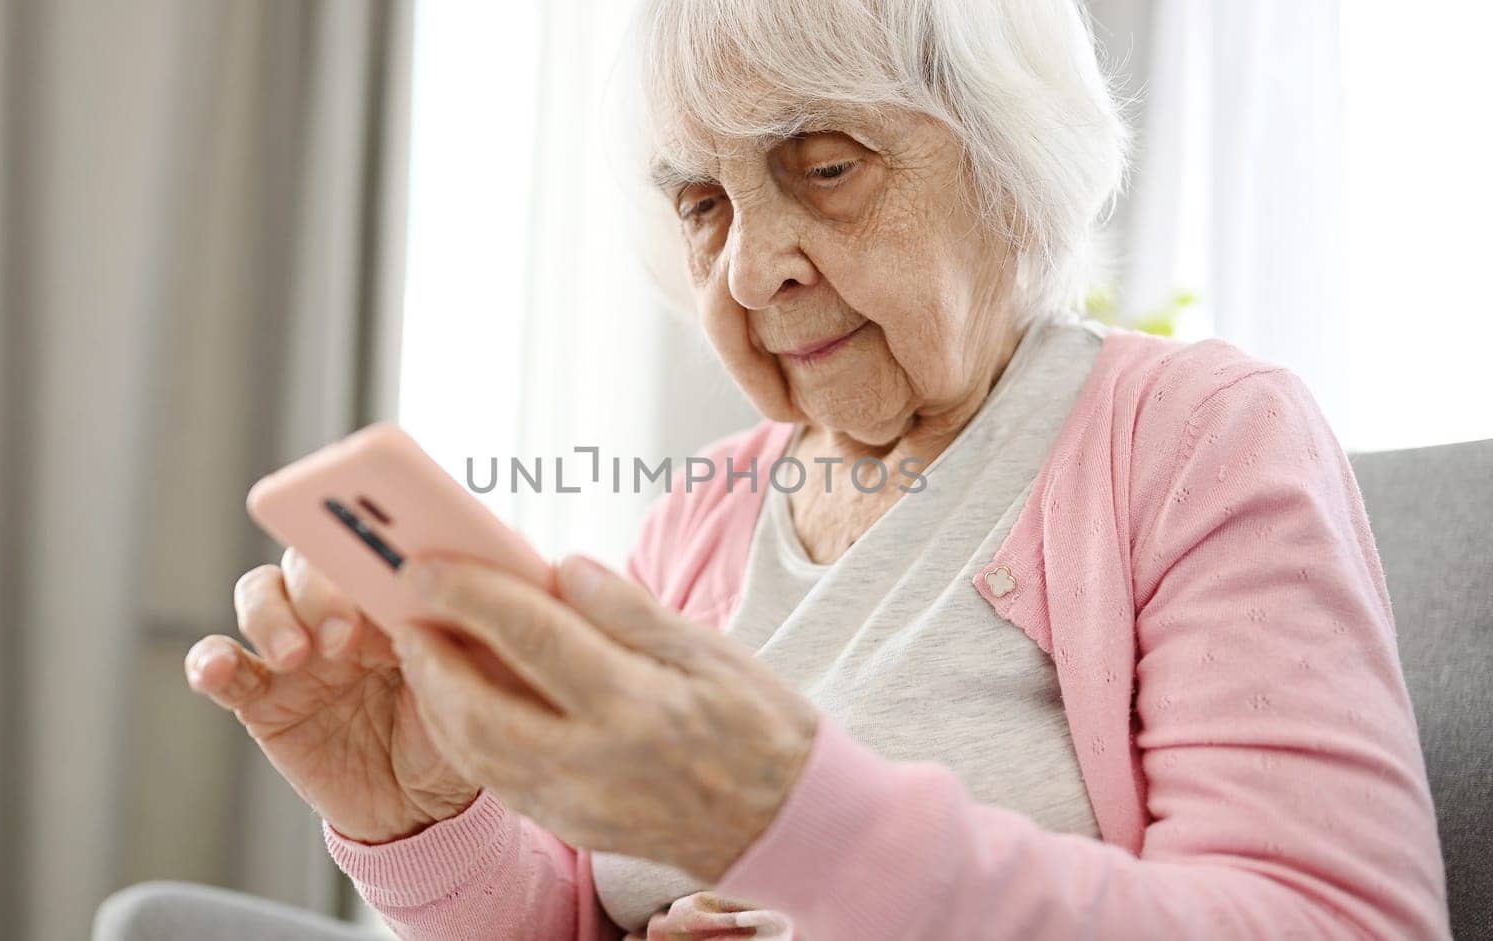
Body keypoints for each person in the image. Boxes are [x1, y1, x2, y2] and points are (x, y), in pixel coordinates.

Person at [110, 0, 1449, 937]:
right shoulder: (703, 512)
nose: (752, 266)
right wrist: (423, 818)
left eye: (825, 165)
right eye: (704, 204)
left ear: (1010, 159)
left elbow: (1333, 923)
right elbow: (573, 917)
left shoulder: (1193, 436)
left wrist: (785, 817)